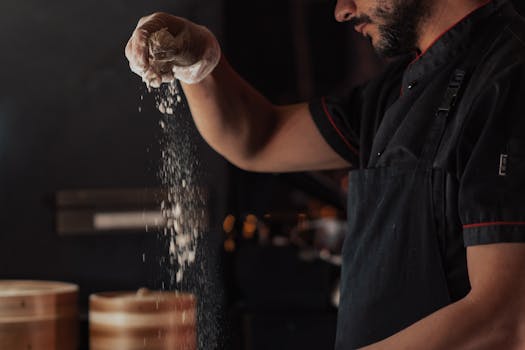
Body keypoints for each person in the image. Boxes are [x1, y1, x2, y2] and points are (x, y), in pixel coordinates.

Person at [125, 0, 525, 348]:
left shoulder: (508, 78)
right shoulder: (400, 89)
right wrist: (200, 62)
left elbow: (506, 322)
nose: (342, 10)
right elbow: (260, 139)